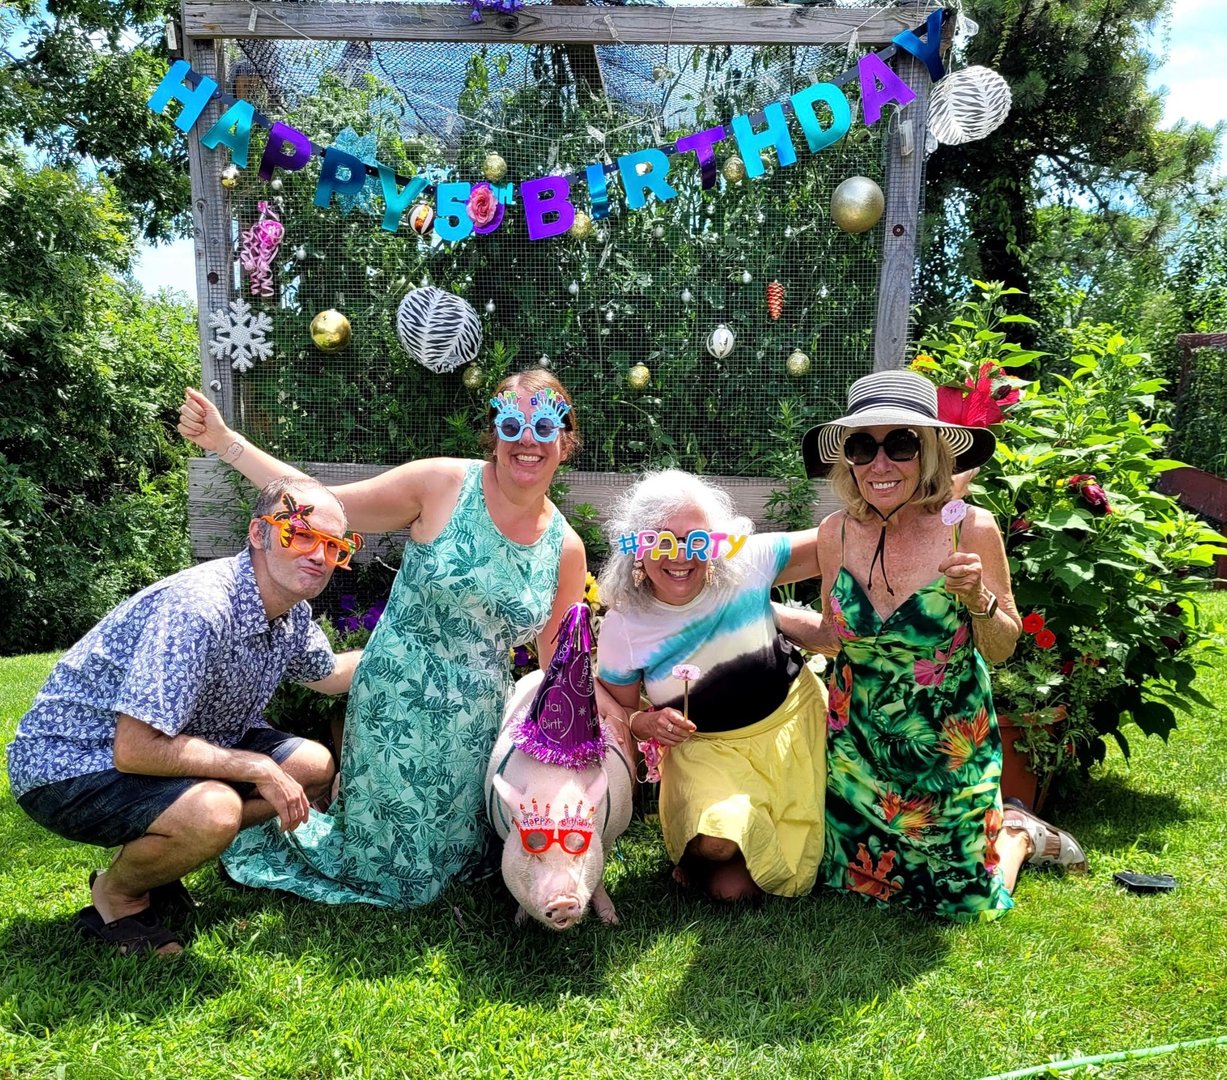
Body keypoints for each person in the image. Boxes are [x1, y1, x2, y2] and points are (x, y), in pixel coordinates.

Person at [176, 371, 587, 906]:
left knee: (449, 872)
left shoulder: (567, 548)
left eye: (543, 425)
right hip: (396, 698)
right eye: (511, 424)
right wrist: (225, 443)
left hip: (476, 722)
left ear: (565, 439)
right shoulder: (442, 484)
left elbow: (559, 671)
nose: (526, 441)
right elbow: (317, 503)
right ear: (494, 433)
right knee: (402, 883)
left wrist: (575, 760)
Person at [780, 369, 1087, 922]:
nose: (880, 464)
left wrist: (979, 600)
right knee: (848, 881)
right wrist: (759, 610)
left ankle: (1017, 832)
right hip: (858, 749)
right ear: (846, 457)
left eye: (900, 444)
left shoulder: (970, 529)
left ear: (930, 453)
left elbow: (1002, 648)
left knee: (967, 904)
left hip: (948, 745)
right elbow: (832, 637)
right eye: (862, 446)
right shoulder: (836, 533)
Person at [6, 477, 359, 954]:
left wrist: (410, 646)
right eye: (300, 534)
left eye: (334, 546)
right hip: (72, 763)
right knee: (216, 810)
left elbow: (328, 671)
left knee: (312, 767)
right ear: (258, 533)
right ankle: (119, 896)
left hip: (175, 741)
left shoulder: (290, 612)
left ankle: (163, 861)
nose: (319, 555)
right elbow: (134, 749)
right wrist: (255, 766)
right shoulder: (199, 609)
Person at [595, 469, 827, 903]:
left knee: (733, 890)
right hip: (707, 752)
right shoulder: (624, 625)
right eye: (662, 541)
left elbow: (838, 537)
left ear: (717, 542)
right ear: (636, 549)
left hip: (791, 728)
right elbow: (615, 712)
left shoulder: (749, 563)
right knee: (719, 849)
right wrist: (647, 721)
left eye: (696, 540)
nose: (680, 556)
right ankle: (705, 850)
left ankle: (734, 858)